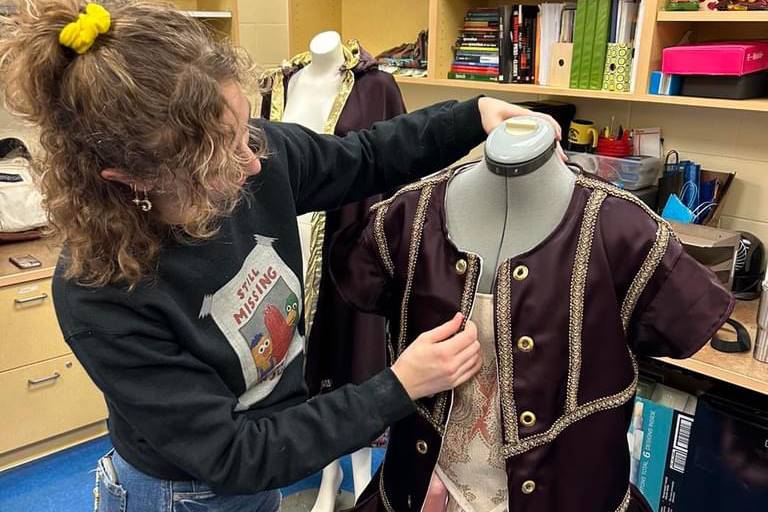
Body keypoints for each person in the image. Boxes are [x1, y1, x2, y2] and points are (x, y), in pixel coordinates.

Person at [0, 2, 561, 511]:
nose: (252, 163)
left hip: (262, 469)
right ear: (133, 181)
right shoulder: (100, 291)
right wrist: (398, 385)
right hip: (182, 493)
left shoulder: (255, 155)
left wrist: (472, 115)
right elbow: (232, 454)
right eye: (218, 161)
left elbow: (363, 156)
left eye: (245, 131)